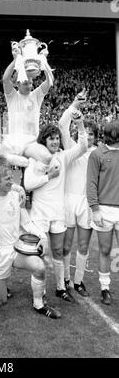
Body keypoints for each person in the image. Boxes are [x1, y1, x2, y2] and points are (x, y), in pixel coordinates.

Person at [24, 108, 87, 302]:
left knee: (58, 251)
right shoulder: (35, 158)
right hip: (40, 213)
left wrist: (80, 125)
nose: (54, 142)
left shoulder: (63, 156)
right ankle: (40, 290)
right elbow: (28, 185)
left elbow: (83, 147)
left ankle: (61, 288)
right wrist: (48, 176)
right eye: (51, 139)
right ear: (44, 140)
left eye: (57, 138)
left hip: (58, 212)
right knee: (40, 253)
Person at [0, 163, 61, 319]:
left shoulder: (15, 196)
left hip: (15, 249)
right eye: (7, 179)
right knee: (0, 300)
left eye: (12, 178)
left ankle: (39, 304)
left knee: (39, 267)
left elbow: (27, 223)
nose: (11, 182)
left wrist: (42, 236)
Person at [59, 91, 97, 296]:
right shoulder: (72, 146)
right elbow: (63, 124)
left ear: (96, 137)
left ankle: (79, 280)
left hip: (87, 203)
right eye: (86, 133)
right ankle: (64, 279)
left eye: (92, 134)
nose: (88, 137)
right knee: (66, 245)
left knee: (83, 245)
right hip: (68, 200)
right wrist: (74, 105)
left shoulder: (99, 153)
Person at [2, 47, 54, 165]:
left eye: (31, 83)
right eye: (26, 83)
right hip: (13, 142)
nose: (30, 86)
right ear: (18, 84)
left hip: (32, 142)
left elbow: (50, 81)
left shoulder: (36, 95)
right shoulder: (12, 96)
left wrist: (43, 61)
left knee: (46, 159)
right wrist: (16, 59)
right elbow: (5, 79)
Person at [87, 120, 119, 305]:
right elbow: (91, 183)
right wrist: (95, 209)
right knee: (105, 250)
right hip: (104, 210)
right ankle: (104, 288)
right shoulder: (96, 154)